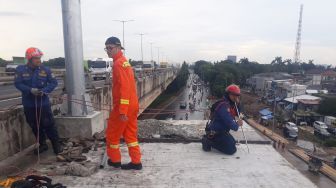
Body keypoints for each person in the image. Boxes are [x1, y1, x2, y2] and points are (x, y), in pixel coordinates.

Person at [14, 47, 62, 155]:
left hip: (43, 103)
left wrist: (44, 91)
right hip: (29, 104)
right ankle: (42, 144)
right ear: (30, 59)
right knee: (34, 125)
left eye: (39, 58)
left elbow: (53, 82)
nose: (39, 60)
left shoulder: (45, 70)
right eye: (36, 58)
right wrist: (30, 90)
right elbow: (18, 83)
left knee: (49, 124)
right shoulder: (20, 70)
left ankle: (56, 145)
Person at [104, 36, 142, 170]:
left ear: (119, 48)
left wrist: (122, 110)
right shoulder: (124, 62)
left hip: (123, 106)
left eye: (110, 48)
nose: (108, 51)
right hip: (132, 105)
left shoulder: (118, 64)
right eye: (106, 48)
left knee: (112, 134)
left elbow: (124, 88)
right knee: (130, 134)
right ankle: (136, 162)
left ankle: (115, 160)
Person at [202, 84, 243, 155]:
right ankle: (207, 141)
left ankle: (213, 141)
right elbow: (234, 127)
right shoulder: (223, 107)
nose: (235, 97)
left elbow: (237, 113)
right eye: (233, 95)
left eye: (237, 95)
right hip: (215, 132)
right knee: (232, 150)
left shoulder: (230, 104)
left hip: (223, 131)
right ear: (228, 94)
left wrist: (238, 103)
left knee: (233, 143)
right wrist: (238, 123)